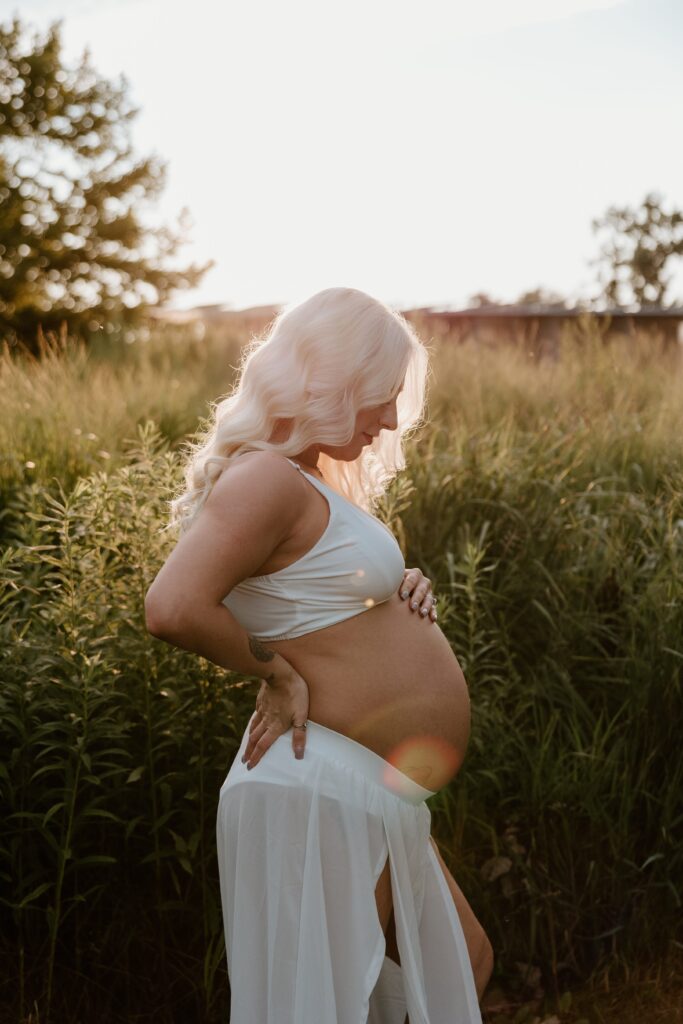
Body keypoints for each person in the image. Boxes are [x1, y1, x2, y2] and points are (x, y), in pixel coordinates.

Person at [144, 286, 493, 1023]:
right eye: (381, 396)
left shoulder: (300, 478)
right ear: (332, 379)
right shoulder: (268, 476)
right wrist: (272, 671)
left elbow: (308, 592)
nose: (392, 419)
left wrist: (394, 588)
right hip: (315, 781)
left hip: (365, 786)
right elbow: (172, 608)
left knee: (461, 961)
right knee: (327, 1005)